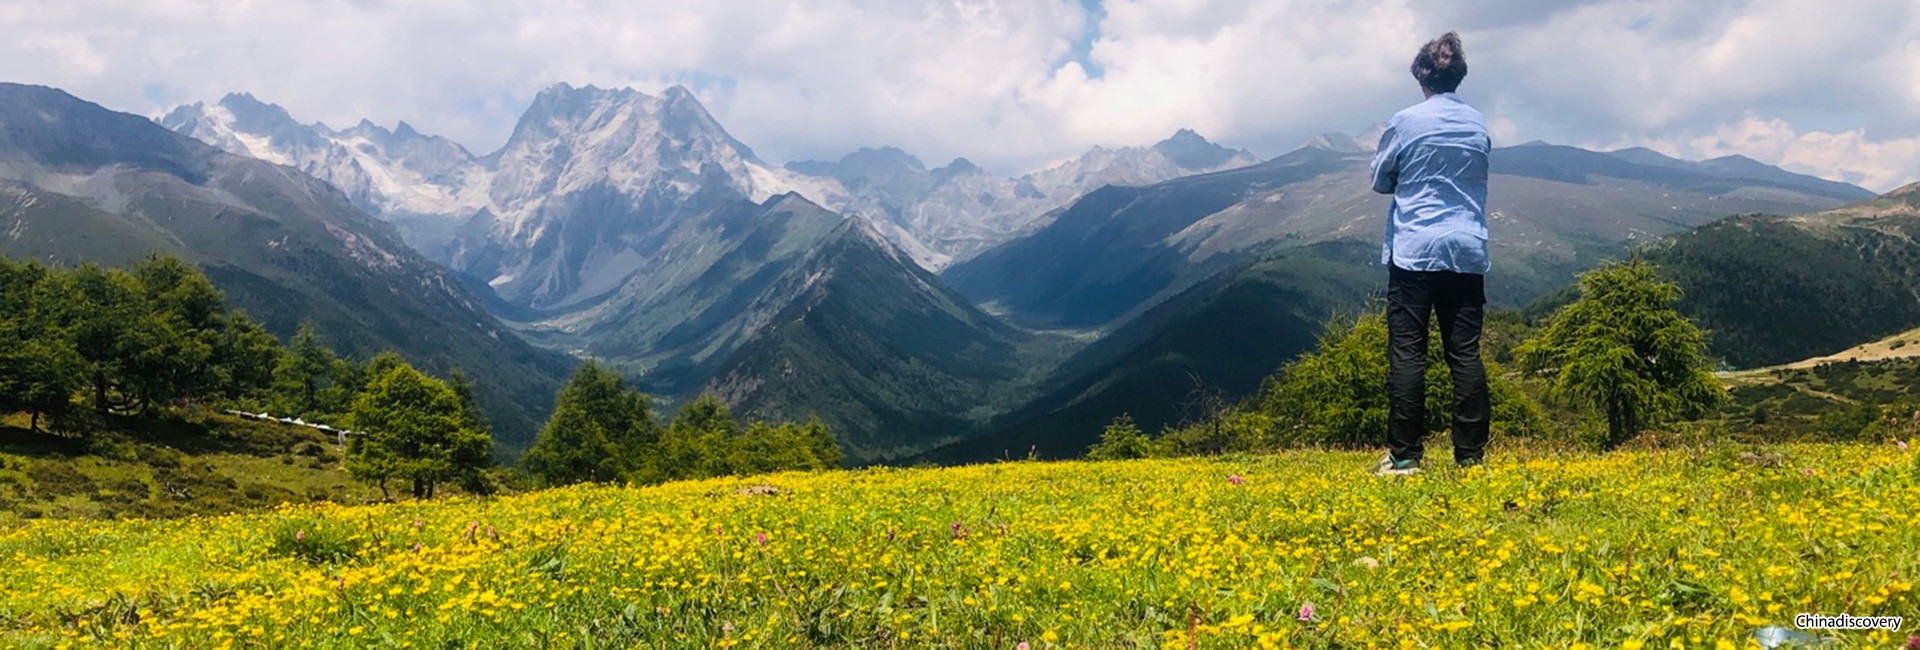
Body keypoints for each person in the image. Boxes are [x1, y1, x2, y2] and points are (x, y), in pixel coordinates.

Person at [1368, 32, 1491, 476]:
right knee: (1464, 353)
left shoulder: (1406, 122)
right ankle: (1471, 458)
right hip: (1466, 249)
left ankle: (1404, 458)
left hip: (1415, 249)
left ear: (1422, 74)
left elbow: (1381, 180)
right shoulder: (1478, 124)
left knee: (1408, 353)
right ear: (1459, 75)